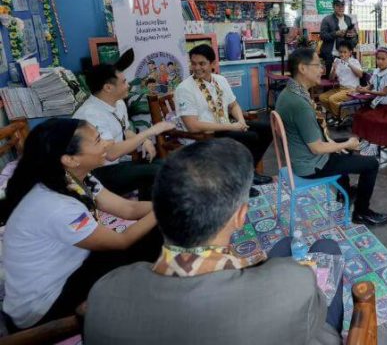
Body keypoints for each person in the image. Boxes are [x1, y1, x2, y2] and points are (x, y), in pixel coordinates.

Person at [85, 139, 344, 344]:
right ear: (241, 216)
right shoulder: (292, 284)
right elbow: (315, 315)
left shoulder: (104, 291)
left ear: (158, 212)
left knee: (285, 244)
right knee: (327, 249)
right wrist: (301, 273)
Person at [1, 119, 159, 330]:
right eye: (97, 141)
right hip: (43, 308)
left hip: (68, 273)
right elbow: (122, 241)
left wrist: (170, 202)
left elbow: (127, 209)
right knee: (147, 240)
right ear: (70, 159)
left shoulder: (74, 179)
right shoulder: (57, 205)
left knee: (152, 230)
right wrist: (165, 208)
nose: (106, 145)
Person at [275, 48, 387, 226]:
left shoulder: (288, 93)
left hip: (297, 156)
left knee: (342, 147)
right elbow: (317, 147)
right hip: (310, 165)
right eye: (318, 65)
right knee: (371, 164)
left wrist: (343, 145)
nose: (322, 69)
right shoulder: (299, 104)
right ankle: (361, 212)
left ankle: (344, 191)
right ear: (303, 69)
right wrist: (349, 144)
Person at [174, 44, 272, 188]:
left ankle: (248, 173)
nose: (197, 68)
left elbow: (233, 105)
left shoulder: (220, 80)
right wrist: (232, 126)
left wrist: (241, 122)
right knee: (250, 137)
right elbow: (192, 126)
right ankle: (240, 181)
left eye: (202, 63)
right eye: (193, 63)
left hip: (226, 127)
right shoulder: (184, 89)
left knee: (267, 128)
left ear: (213, 64)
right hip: (205, 135)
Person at [73, 63, 175, 200]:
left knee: (164, 165)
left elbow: (124, 130)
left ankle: (148, 213)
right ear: (108, 87)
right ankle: (150, 214)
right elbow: (111, 153)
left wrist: (144, 141)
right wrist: (150, 132)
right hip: (94, 173)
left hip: (114, 166)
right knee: (158, 172)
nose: (128, 85)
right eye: (124, 82)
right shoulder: (91, 114)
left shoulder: (118, 103)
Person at [352, 48, 387, 149]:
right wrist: (361, 89)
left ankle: (373, 143)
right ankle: (365, 139)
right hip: (377, 104)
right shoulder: (376, 71)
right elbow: (370, 86)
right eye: (378, 58)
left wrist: (366, 91)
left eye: (383, 59)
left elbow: (384, 93)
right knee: (359, 115)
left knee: (372, 119)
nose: (380, 61)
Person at [318, 40, 362, 126]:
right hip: (340, 88)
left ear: (350, 52)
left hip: (352, 89)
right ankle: (340, 116)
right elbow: (331, 79)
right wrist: (334, 69)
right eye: (341, 52)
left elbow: (360, 75)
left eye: (345, 52)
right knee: (322, 97)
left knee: (332, 99)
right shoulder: (337, 62)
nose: (342, 54)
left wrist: (349, 64)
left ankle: (341, 117)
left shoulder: (354, 61)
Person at [319, 0, 358, 75]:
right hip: (331, 55)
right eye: (338, 6)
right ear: (333, 7)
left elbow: (355, 36)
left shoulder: (348, 19)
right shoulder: (327, 19)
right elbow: (322, 36)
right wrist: (336, 34)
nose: (340, 8)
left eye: (342, 5)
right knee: (330, 80)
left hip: (345, 56)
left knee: (345, 79)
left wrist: (352, 35)